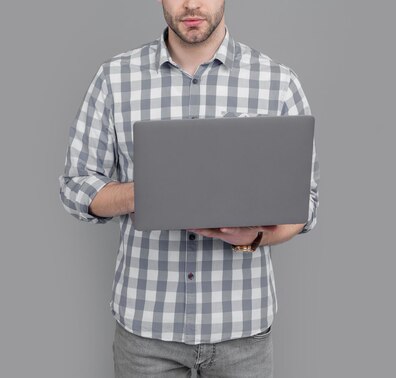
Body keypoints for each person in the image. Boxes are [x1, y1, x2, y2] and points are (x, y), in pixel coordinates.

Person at [58, 0, 319, 376]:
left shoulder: (277, 82)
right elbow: (75, 186)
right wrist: (143, 193)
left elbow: (305, 203)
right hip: (146, 332)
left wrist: (255, 236)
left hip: (242, 331)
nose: (192, 3)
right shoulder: (114, 79)